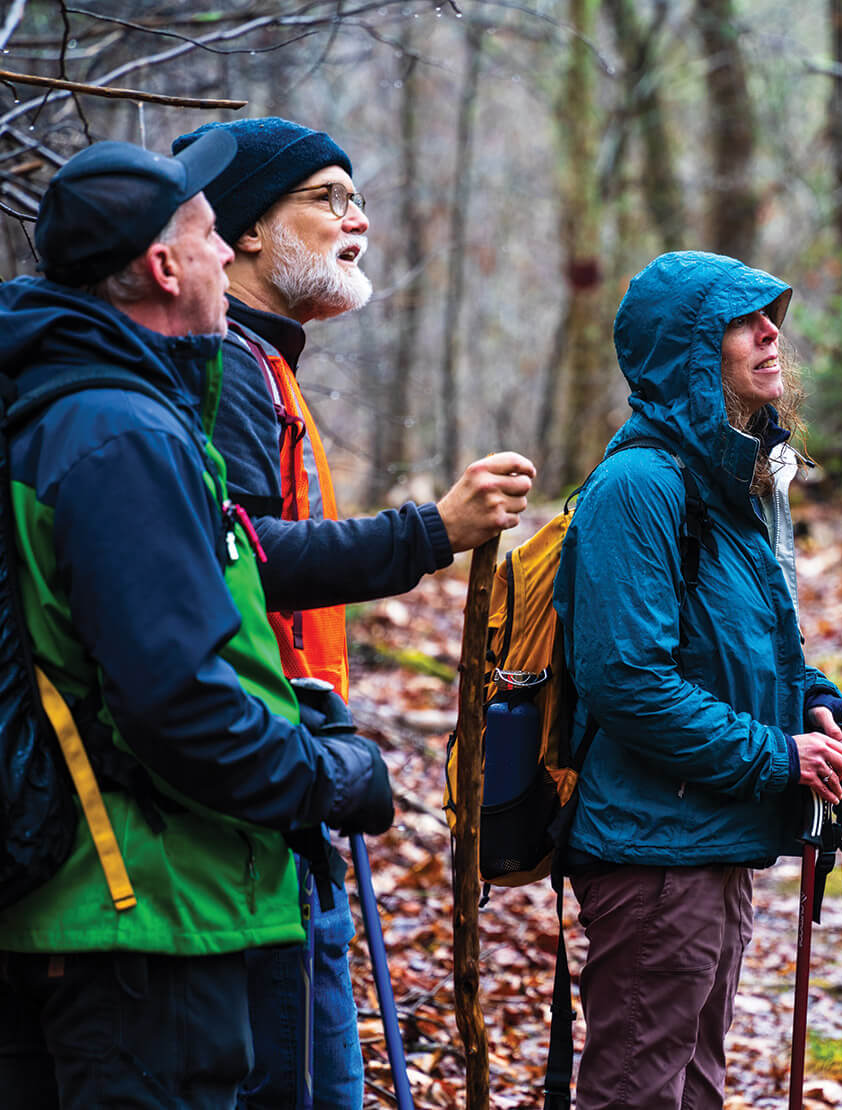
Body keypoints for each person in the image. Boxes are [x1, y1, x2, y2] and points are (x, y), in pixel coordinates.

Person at [0, 136, 394, 1110]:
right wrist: (325, 778)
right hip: (143, 904)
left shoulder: (116, 409)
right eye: (209, 235)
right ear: (168, 264)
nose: (224, 256)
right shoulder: (116, 431)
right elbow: (173, 697)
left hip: (160, 890)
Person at [170, 116, 535, 1109]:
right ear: (245, 229)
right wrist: (432, 529)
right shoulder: (228, 372)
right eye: (328, 197)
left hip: (291, 776)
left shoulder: (263, 365)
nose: (359, 220)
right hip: (257, 789)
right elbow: (243, 559)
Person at [552, 250, 842, 1109]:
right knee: (639, 1093)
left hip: (704, 840)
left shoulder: (728, 485)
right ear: (689, 352)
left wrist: (822, 703)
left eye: (772, 314)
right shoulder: (641, 487)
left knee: (689, 1087)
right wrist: (781, 757)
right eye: (744, 320)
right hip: (655, 850)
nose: (772, 332)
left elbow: (757, 647)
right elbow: (626, 679)